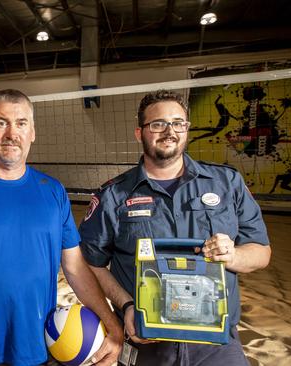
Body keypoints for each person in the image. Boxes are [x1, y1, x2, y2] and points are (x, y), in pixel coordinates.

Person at [0, 89, 123, 366]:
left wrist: (113, 324)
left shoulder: (53, 192)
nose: (11, 134)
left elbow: (75, 268)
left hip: (37, 351)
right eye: (1, 122)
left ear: (32, 132)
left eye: (21, 123)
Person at [79, 89, 271, 365]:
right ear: (139, 133)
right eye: (158, 124)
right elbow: (89, 263)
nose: (169, 131)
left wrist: (234, 256)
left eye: (178, 123)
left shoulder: (227, 183)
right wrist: (127, 305)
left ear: (186, 129)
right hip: (146, 342)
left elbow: (261, 252)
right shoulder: (113, 196)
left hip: (216, 345)